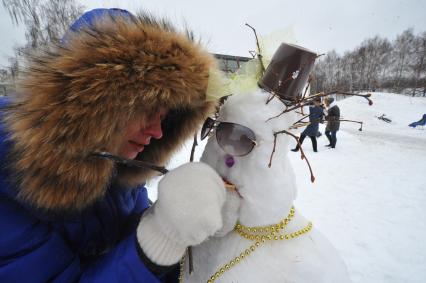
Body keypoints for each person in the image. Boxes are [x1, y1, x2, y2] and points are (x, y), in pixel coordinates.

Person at [0, 8, 228, 283]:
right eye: (149, 109)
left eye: (164, 116)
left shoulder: (118, 171)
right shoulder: (9, 177)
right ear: (96, 105)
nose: (157, 132)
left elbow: (134, 236)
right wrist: (159, 239)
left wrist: (186, 225)